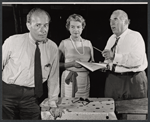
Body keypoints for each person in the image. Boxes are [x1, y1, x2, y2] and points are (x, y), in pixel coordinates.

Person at [2, 8, 62, 120]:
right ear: (28, 25)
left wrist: (52, 103)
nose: (43, 30)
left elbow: (53, 78)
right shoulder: (13, 41)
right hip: (6, 94)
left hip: (31, 97)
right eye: (38, 25)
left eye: (46, 25)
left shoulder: (52, 48)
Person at [102, 10, 148, 100]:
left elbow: (137, 60)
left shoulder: (135, 36)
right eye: (110, 20)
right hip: (113, 80)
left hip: (132, 80)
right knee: (112, 111)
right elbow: (108, 58)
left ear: (126, 22)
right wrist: (104, 64)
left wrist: (114, 56)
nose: (111, 23)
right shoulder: (111, 38)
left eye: (115, 19)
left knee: (135, 111)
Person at [59, 14, 94, 98]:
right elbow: (56, 65)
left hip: (84, 80)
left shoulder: (88, 43)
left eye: (78, 27)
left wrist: (98, 65)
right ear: (68, 28)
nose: (76, 30)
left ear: (82, 27)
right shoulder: (64, 43)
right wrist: (72, 64)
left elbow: (92, 62)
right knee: (69, 106)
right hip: (69, 79)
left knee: (83, 106)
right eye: (73, 27)